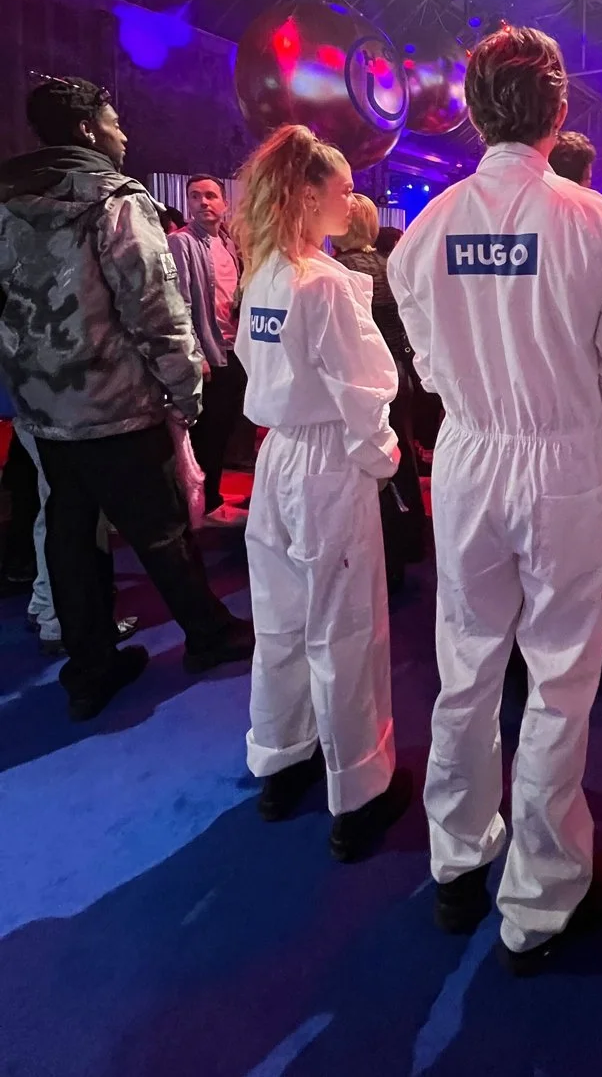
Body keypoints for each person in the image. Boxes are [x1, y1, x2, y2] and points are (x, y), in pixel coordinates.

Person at [389, 26, 602, 969]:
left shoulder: (425, 230)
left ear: (473, 110)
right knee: (561, 676)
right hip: (561, 459)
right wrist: (580, 417)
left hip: (469, 455)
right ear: (559, 111)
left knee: (466, 663)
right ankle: (540, 894)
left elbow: (427, 360)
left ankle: (456, 860)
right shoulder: (599, 223)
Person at [0, 77, 253, 720]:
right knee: (162, 530)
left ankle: (89, 670)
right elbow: (154, 308)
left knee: (69, 534)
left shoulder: (7, 197)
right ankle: (209, 634)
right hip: (117, 403)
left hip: (43, 407)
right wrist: (184, 391)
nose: (124, 133)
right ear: (87, 130)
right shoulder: (113, 196)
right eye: (114, 122)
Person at [233, 124, 412, 862]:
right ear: (308, 194)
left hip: (277, 458)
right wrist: (384, 461)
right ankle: (358, 789)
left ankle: (281, 757)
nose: (352, 198)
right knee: (343, 629)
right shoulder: (327, 284)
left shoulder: (264, 272)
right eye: (341, 189)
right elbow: (363, 391)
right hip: (326, 463)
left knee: (279, 623)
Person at [332, 198, 427, 591]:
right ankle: (411, 538)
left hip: (366, 376)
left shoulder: (339, 270)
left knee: (372, 463)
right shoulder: (388, 264)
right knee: (399, 454)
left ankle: (384, 552)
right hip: (400, 374)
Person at [168, 175, 248, 524]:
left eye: (211, 195)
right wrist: (195, 352)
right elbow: (179, 303)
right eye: (195, 196)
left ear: (224, 203)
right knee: (204, 436)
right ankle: (198, 508)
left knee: (222, 431)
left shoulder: (228, 243)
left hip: (233, 349)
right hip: (207, 354)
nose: (203, 202)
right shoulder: (181, 242)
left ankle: (208, 503)